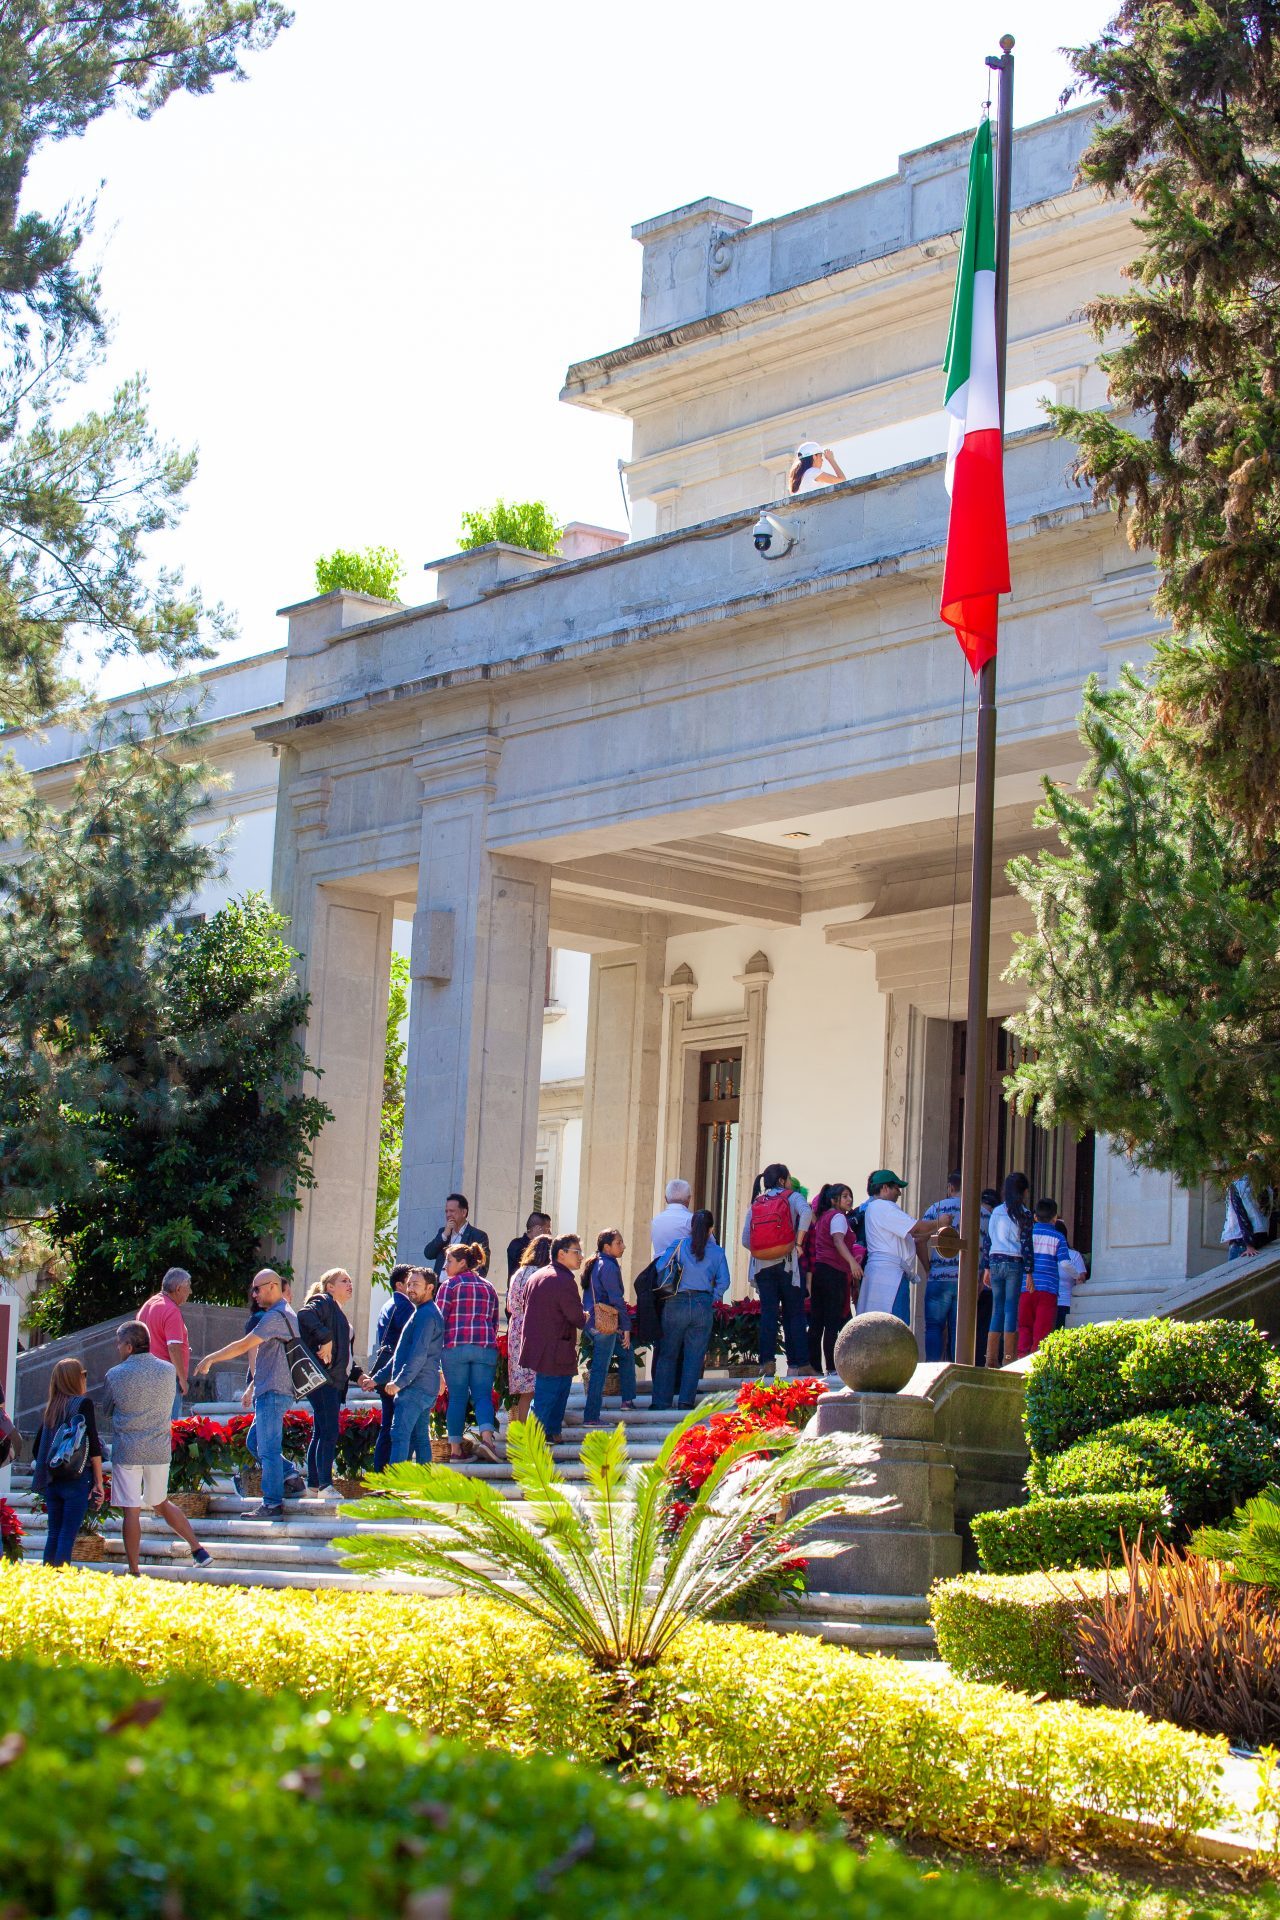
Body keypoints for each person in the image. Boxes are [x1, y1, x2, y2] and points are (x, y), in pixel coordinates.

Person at [103, 1321, 212, 1574]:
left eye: (119, 1344)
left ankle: (134, 1570)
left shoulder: (114, 1374)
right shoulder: (167, 1370)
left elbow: (107, 1410)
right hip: (158, 1447)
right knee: (161, 1501)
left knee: (131, 1510)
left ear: (129, 1346)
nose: (117, 1348)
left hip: (127, 1448)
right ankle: (198, 1549)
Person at [194, 1269, 298, 1518]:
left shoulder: (276, 1315)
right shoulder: (283, 1313)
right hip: (271, 1388)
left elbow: (244, 1346)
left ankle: (272, 1504)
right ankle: (291, 1476)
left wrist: (211, 1358)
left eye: (258, 1288)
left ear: (272, 1286)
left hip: (273, 1390)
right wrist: (252, 1387)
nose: (254, 1294)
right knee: (254, 1442)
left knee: (268, 1450)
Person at [650, 1209, 730, 1410]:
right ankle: (685, 1401)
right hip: (703, 1303)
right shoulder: (718, 1252)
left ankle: (661, 1401)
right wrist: (712, 1297)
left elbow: (660, 1267)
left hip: (676, 1302)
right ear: (711, 1229)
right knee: (694, 1356)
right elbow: (724, 1281)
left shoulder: (678, 1245)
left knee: (668, 1353)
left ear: (691, 1227)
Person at [31, 1358, 104, 1566]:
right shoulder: (83, 1404)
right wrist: (98, 1481)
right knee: (67, 1535)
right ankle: (62, 1581)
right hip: (76, 1479)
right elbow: (94, 1445)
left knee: (53, 1533)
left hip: (53, 1481)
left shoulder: (51, 1407)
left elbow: (38, 1449)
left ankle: (48, 1579)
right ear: (76, 1379)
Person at [742, 1162, 812, 1375]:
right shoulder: (792, 1197)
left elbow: (746, 1239)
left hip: (762, 1268)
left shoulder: (757, 1202)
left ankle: (767, 1364)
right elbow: (807, 1213)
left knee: (768, 1315)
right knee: (794, 1314)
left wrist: (765, 1250)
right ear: (782, 1180)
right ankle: (797, 1365)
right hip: (787, 1265)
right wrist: (797, 1243)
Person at [297, 1268, 361, 1499]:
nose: (349, 1284)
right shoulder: (323, 1300)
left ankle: (314, 1484)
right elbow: (304, 1316)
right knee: (329, 1431)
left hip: (331, 1379)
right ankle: (325, 1485)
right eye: (344, 1280)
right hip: (324, 1379)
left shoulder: (338, 1312)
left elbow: (345, 1356)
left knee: (322, 1431)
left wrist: (358, 1375)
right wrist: (326, 1338)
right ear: (330, 1286)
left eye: (350, 1280)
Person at [435, 1242, 501, 1462]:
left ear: (462, 1262)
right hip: (484, 1347)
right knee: (482, 1395)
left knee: (456, 1398)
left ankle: (455, 1450)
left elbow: (439, 1320)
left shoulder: (449, 1286)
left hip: (455, 1348)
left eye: (449, 1261)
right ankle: (488, 1440)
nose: (445, 1266)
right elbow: (493, 1321)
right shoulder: (488, 1286)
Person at [373, 1267, 445, 1465]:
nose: (410, 1288)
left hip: (416, 1387)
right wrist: (377, 1379)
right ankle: (420, 1484)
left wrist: (399, 1383)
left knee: (399, 1434)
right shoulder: (421, 1312)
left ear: (430, 1287)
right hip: (421, 1385)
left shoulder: (426, 1314)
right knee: (418, 1437)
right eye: (409, 1284)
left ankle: (397, 1488)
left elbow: (418, 1355)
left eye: (416, 1285)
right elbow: (400, 1353)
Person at [521, 1234, 587, 1443]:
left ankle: (551, 1434)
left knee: (553, 1394)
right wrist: (586, 1317)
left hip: (541, 1346)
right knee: (548, 1397)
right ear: (561, 1253)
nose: (581, 1257)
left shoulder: (536, 1276)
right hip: (556, 1348)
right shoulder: (563, 1279)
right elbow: (575, 1317)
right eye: (577, 1252)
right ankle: (537, 1441)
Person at [859, 1171, 940, 1320]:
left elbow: (915, 1233)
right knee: (894, 1325)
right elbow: (916, 1228)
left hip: (884, 1271)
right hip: (889, 1275)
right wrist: (941, 1222)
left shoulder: (874, 1208)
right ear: (885, 1188)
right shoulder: (884, 1206)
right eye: (896, 1188)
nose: (899, 1193)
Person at [581, 1230, 637, 1426]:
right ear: (607, 1247)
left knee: (625, 1352)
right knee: (600, 1369)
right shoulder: (609, 1267)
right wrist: (626, 1327)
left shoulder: (595, 1262)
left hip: (592, 1322)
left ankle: (627, 1400)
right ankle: (591, 1416)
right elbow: (616, 1300)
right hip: (605, 1324)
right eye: (619, 1243)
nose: (623, 1246)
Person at [807, 1183, 864, 1373]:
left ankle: (815, 1367)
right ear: (834, 1200)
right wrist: (853, 1263)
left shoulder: (823, 1217)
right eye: (845, 1196)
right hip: (834, 1272)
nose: (849, 1200)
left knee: (817, 1323)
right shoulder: (838, 1217)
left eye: (850, 1196)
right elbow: (838, 1240)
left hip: (819, 1272)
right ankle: (831, 1368)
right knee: (831, 1322)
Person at [366, 1265, 416, 1473]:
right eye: (410, 1282)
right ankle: (390, 1473)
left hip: (386, 1369)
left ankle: (380, 1472)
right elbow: (410, 1341)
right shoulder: (405, 1306)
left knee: (388, 1426)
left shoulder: (389, 1304)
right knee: (400, 1428)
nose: (414, 1287)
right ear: (399, 1284)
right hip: (395, 1372)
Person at [985, 1172, 1033, 1369]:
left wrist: (986, 1268)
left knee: (997, 1308)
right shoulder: (1025, 1214)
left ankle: (990, 1358)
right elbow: (1026, 1244)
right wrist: (1030, 1272)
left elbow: (988, 1239)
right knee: (1011, 1308)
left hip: (995, 1260)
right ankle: (1008, 1357)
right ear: (1023, 1192)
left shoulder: (996, 1211)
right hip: (1014, 1261)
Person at [506, 1234, 550, 1428]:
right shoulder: (545, 1274)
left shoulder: (519, 1273)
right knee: (542, 1385)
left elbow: (510, 1305)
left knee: (526, 1390)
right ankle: (540, 1429)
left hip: (517, 1331)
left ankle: (522, 1431)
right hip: (538, 1330)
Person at [136, 1267, 192, 1418]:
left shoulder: (147, 1306)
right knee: (169, 1429)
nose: (190, 1292)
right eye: (188, 1287)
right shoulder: (171, 1310)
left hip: (144, 1375)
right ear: (178, 1288)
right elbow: (174, 1348)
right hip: (166, 1379)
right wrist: (182, 1379)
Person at [921, 1172, 962, 1363]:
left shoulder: (936, 1208)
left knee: (934, 1327)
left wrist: (928, 1267)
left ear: (950, 1187)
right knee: (959, 1329)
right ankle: (958, 1370)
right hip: (965, 1280)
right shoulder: (983, 1213)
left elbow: (919, 1240)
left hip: (938, 1276)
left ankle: (931, 1370)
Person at [1019, 1200, 1069, 1358]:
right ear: (1055, 1218)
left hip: (1026, 1288)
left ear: (1034, 1217)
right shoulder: (1058, 1237)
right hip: (1048, 1289)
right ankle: (1036, 1363)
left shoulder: (1027, 1235)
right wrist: (1078, 1275)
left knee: (1025, 1326)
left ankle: (1020, 1358)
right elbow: (1065, 1264)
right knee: (1043, 1329)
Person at [424, 1193, 490, 1275]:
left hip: (462, 1285)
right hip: (441, 1285)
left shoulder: (478, 1235)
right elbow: (428, 1254)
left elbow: (482, 1267)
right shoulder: (443, 1232)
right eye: (446, 1211)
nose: (448, 1215)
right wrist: (444, 1235)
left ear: (464, 1212)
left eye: (452, 1211)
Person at [974, 1187, 999, 1364]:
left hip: (962, 1280)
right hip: (987, 1280)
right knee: (984, 1324)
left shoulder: (968, 1213)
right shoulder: (994, 1218)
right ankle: (982, 1360)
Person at [1222, 1175, 1271, 1261]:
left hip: (1248, 1241)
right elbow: (1241, 1215)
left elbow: (1242, 1215)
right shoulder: (1265, 1186)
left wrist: (1250, 1245)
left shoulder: (1239, 1185)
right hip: (1253, 1241)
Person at [1055, 1219, 1088, 1331]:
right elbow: (1080, 1280)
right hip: (1062, 1304)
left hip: (1063, 1304)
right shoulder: (1074, 1256)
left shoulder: (1074, 1255)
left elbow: (1080, 1280)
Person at [651, 1179, 693, 1259]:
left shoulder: (655, 1221)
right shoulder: (692, 1220)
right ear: (689, 1199)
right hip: (686, 1270)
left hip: (660, 1269)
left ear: (666, 1199)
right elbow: (711, 1246)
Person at [507, 1211, 551, 1280]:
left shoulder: (544, 1247)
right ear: (539, 1228)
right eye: (547, 1229)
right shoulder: (517, 1245)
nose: (549, 1233)